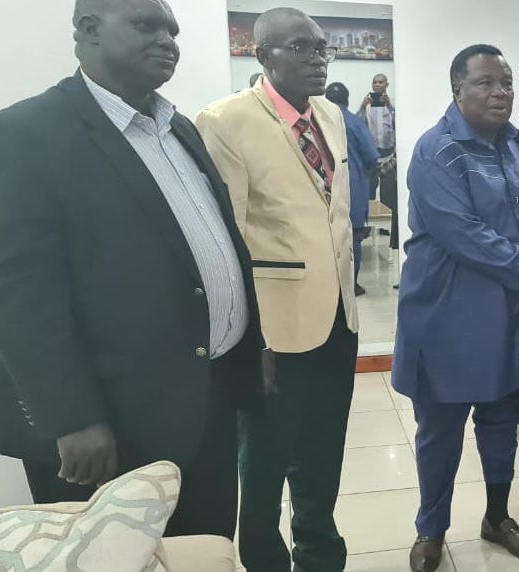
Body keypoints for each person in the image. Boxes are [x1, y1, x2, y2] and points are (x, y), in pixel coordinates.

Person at [0, 0, 263, 539]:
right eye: (146, 25)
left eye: (172, 30)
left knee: (202, 547)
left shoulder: (178, 129)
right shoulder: (24, 133)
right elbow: (15, 293)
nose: (167, 41)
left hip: (205, 399)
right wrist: (71, 417)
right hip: (106, 425)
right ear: (88, 29)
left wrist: (245, 349)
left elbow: (212, 252)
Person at [392, 44, 519, 572]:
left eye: (508, 83)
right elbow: (465, 236)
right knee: (441, 429)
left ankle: (497, 517)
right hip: (448, 316)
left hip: (508, 314)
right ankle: (431, 531)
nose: (500, 93)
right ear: (457, 89)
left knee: (502, 419)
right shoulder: (437, 150)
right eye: (486, 83)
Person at [196, 8, 359, 572]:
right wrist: (250, 340)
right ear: (262, 55)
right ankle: (265, 559)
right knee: (263, 464)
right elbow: (228, 240)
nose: (316, 59)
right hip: (273, 330)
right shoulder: (224, 121)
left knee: (322, 453)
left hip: (338, 319)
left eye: (321, 49)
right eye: (300, 48)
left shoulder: (332, 115)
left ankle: (320, 554)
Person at [326, 81, 380, 296]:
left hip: (323, 190)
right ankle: (351, 286)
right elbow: (372, 157)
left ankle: (330, 286)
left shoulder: (314, 121)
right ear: (347, 100)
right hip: (353, 189)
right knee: (353, 237)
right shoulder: (356, 124)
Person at [358, 73, 399, 250]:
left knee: (389, 193)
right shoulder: (366, 105)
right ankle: (366, 226)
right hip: (371, 158)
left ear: (386, 85)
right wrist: (361, 106)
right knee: (368, 193)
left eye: (381, 82)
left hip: (389, 157)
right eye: (375, 82)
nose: (377, 85)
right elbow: (356, 124)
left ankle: (387, 228)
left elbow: (401, 123)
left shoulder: (392, 106)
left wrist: (389, 106)